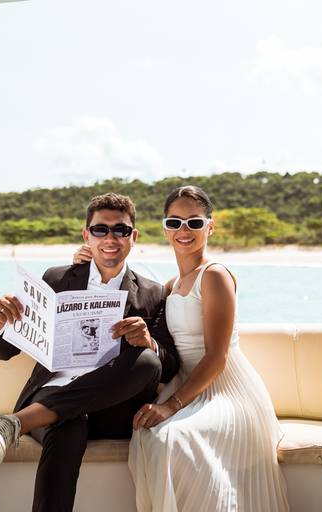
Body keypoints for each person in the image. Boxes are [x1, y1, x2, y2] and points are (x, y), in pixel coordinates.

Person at [77, 185, 288, 511]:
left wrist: (171, 406)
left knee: (170, 439)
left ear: (209, 227)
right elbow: (125, 300)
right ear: (165, 229)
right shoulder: (170, 286)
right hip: (186, 384)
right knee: (146, 434)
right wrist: (89, 262)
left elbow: (217, 356)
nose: (184, 230)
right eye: (175, 222)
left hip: (224, 390)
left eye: (194, 222)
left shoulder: (215, 276)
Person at [0, 192, 180, 512]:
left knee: (148, 361)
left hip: (111, 409)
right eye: (100, 230)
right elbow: (4, 350)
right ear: (86, 235)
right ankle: (31, 418)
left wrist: (148, 341)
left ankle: (14, 423)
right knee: (67, 424)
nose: (110, 238)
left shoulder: (153, 294)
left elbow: (169, 365)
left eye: (121, 230)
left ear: (133, 237)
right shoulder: (55, 279)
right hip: (53, 394)